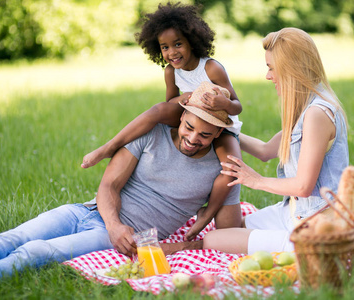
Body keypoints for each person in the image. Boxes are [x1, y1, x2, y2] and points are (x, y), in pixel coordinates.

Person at [0, 83, 241, 282]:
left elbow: (229, 232)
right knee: (9, 239)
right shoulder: (153, 134)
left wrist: (183, 245)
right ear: (182, 116)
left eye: (205, 134)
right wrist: (113, 224)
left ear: (219, 132)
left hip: (120, 236)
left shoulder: (222, 170)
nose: (193, 138)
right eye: (189, 127)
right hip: (85, 212)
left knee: (35, 251)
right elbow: (109, 185)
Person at [80, 2, 243, 241]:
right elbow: (170, 104)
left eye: (178, 44)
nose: (172, 52)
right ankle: (108, 148)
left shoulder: (211, 68)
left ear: (192, 41)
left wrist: (224, 105)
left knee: (231, 169)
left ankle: (206, 215)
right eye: (165, 47)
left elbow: (238, 106)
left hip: (221, 122)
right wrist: (184, 99)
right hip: (188, 112)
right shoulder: (170, 71)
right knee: (157, 110)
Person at [203, 28, 349, 254]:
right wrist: (221, 128)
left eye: (271, 68)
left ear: (292, 68)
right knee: (229, 229)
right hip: (295, 212)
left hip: (319, 226)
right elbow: (264, 150)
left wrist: (256, 180)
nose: (268, 76)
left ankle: (317, 248)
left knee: (213, 241)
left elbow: (303, 186)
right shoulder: (307, 107)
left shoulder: (317, 114)